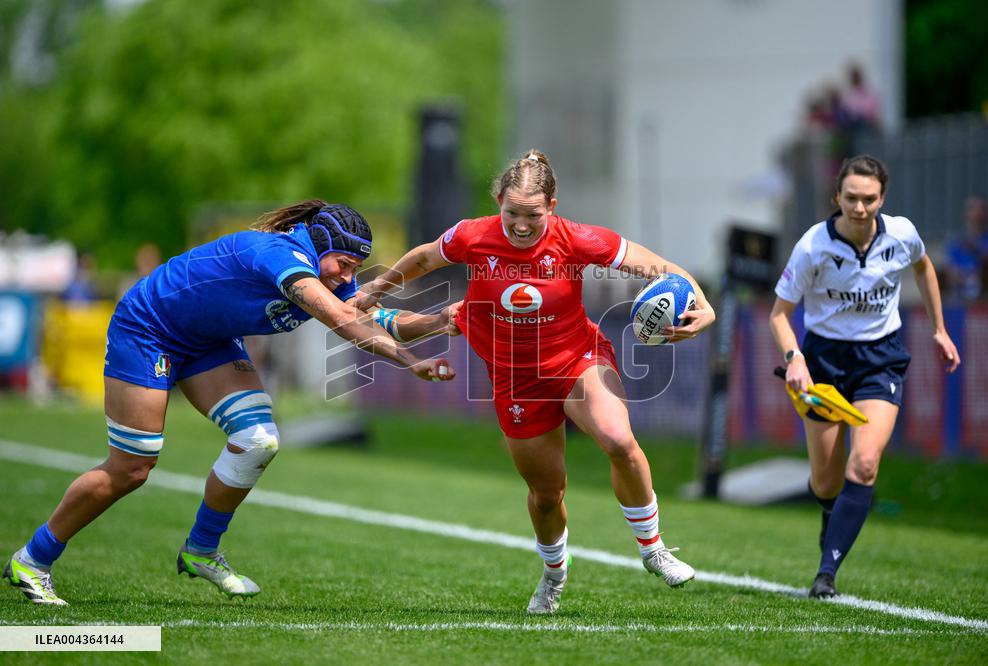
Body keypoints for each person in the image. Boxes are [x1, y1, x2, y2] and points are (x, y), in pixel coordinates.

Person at [4, 200, 456, 605]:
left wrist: (439, 320)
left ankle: (201, 550)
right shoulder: (281, 256)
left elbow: (379, 317)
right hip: (149, 329)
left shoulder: (322, 270)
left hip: (208, 341)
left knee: (258, 440)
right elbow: (342, 318)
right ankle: (33, 559)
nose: (348, 276)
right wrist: (410, 361)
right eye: (344, 264)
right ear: (319, 245)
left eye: (356, 268)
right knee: (133, 467)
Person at [357, 150, 716, 614]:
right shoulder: (473, 235)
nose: (521, 226)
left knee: (617, 438)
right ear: (498, 203)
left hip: (578, 359)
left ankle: (653, 549)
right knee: (547, 496)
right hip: (515, 379)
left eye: (533, 215)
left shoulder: (579, 239)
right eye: (512, 213)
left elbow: (663, 268)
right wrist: (376, 288)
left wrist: (704, 308)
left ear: (552, 206)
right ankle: (554, 574)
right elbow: (425, 257)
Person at [769, 155, 960, 599]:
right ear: (837, 196)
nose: (860, 207)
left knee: (866, 463)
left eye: (869, 199)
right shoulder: (813, 246)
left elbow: (924, 267)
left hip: (880, 359)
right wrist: (795, 358)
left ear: (882, 199)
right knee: (826, 482)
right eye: (851, 198)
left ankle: (826, 574)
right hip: (824, 362)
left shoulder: (902, 234)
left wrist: (939, 328)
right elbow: (779, 314)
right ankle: (830, 512)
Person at [943, 196, 988, 301]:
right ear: (967, 215)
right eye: (974, 211)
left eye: (981, 211)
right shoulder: (957, 243)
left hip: (987, 293)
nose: (978, 215)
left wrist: (976, 249)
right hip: (959, 292)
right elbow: (949, 268)